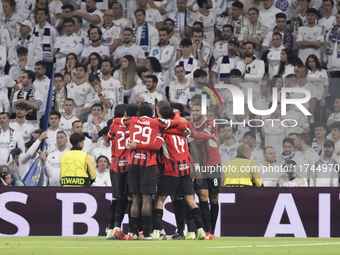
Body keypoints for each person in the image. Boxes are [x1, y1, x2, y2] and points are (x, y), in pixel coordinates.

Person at [113, 103, 184, 240]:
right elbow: (176, 123)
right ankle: (145, 234)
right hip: (148, 164)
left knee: (134, 199)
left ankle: (132, 233)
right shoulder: (156, 121)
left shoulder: (132, 120)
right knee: (146, 198)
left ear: (139, 113)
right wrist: (175, 113)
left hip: (133, 162)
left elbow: (116, 120)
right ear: (152, 112)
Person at [190, 103, 221, 240]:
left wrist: (194, 134)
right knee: (203, 196)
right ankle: (207, 231)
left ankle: (213, 231)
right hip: (199, 167)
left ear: (203, 112)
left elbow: (198, 136)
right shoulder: (189, 125)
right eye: (193, 110)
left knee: (214, 198)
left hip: (214, 164)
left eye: (198, 110)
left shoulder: (211, 123)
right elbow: (193, 140)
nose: (195, 112)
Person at [32, 8, 58, 77]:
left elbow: (56, 43)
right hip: (36, 61)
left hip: (48, 61)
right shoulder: (33, 29)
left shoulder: (52, 29)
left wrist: (53, 53)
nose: (39, 16)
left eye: (41, 14)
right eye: (38, 14)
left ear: (46, 16)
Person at [306, 54, 329, 123]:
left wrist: (323, 98)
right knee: (310, 120)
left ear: (316, 62)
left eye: (313, 61)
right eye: (309, 61)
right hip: (309, 100)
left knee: (320, 120)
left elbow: (326, 86)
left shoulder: (323, 71)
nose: (311, 63)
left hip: (320, 99)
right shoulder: (305, 72)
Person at [33, 61, 50, 126]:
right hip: (33, 114)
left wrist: (47, 112)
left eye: (39, 69)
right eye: (35, 69)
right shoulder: (32, 82)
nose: (36, 71)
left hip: (45, 114)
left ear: (44, 70)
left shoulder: (50, 83)